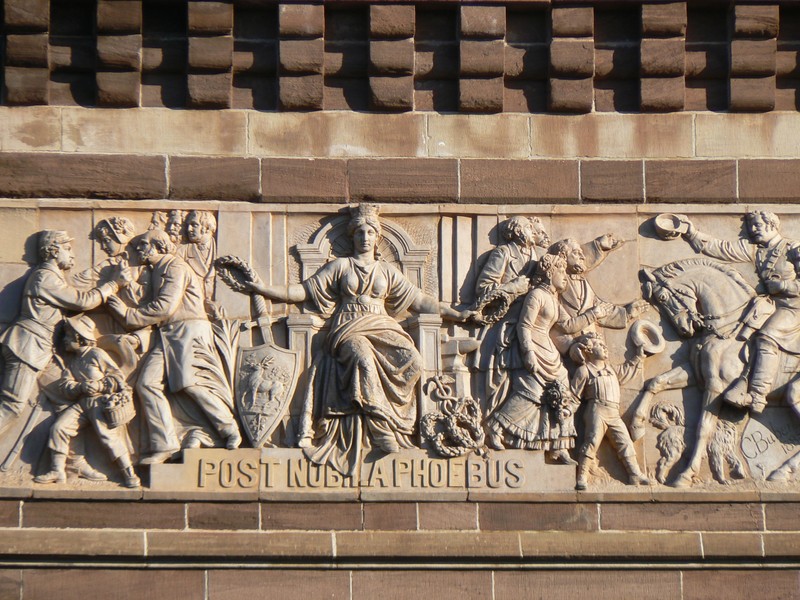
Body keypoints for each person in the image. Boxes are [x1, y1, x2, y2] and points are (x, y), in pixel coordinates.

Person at [244, 204, 473, 475]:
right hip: (349, 327)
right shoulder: (341, 266)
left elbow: (421, 301)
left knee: (413, 361)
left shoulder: (387, 271)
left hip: (382, 325)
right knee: (362, 358)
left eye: (370, 232)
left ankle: (397, 422)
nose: (365, 237)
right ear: (352, 236)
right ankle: (380, 428)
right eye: (360, 232)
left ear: (377, 238)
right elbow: (303, 291)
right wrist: (263, 288)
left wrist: (458, 315)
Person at [106, 229, 241, 464]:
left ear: (159, 246)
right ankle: (165, 445)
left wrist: (128, 315)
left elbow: (165, 307)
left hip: (187, 330)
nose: (138, 249)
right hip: (167, 334)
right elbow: (149, 303)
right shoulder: (155, 270)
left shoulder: (174, 266)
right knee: (146, 383)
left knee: (191, 384)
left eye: (143, 244)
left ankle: (229, 428)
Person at [0, 231, 124, 437]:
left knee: (67, 398)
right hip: (27, 347)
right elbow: (82, 300)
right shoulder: (44, 277)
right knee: (12, 405)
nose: (72, 255)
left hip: (42, 351)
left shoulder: (53, 277)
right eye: (67, 249)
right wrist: (113, 285)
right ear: (54, 250)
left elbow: (80, 288)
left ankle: (70, 461)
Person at [679, 211, 800, 413]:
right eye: (751, 226)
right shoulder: (756, 250)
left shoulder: (793, 249)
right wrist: (692, 233)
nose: (752, 230)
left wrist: (784, 285)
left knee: (766, 337)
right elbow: (722, 249)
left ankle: (757, 395)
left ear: (772, 225)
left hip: (794, 307)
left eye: (757, 226)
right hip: (768, 304)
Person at [484, 253, 581, 463]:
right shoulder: (536, 295)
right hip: (533, 347)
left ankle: (559, 445)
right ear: (549, 272)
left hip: (548, 350)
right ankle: (496, 426)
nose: (565, 276)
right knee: (532, 392)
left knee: (563, 395)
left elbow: (568, 326)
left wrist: (595, 313)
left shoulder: (553, 300)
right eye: (561, 271)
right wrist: (527, 352)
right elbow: (524, 325)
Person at [35, 315, 140, 488]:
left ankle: (129, 473)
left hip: (100, 403)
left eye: (68, 336)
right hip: (82, 404)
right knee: (59, 428)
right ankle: (57, 470)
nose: (64, 340)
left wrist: (99, 385)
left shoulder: (96, 354)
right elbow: (66, 384)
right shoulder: (73, 361)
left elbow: (116, 376)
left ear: (79, 338)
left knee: (108, 438)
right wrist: (80, 388)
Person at [474, 217, 549, 416]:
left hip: (535, 323)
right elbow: (483, 289)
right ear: (517, 231)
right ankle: (495, 418)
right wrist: (512, 287)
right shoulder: (503, 253)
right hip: (507, 324)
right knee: (504, 376)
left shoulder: (537, 255)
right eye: (528, 227)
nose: (532, 231)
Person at [569, 332, 649, 490]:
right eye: (599, 345)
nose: (604, 347)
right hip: (596, 410)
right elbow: (574, 395)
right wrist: (567, 411)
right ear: (589, 350)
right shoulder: (584, 371)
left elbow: (626, 371)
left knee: (625, 442)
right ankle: (582, 477)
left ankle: (634, 474)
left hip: (613, 412)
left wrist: (638, 357)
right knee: (592, 441)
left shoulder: (611, 369)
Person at [549, 238, 649, 355]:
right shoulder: (554, 284)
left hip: (594, 346)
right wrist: (569, 348)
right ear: (563, 256)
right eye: (576, 253)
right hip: (572, 349)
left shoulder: (582, 282)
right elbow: (558, 324)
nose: (583, 257)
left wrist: (626, 313)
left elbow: (599, 307)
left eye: (582, 253)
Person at [177, 210, 217, 301]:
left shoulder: (222, 249)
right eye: (188, 225)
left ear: (207, 227)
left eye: (194, 225)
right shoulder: (181, 252)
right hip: (191, 305)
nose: (188, 229)